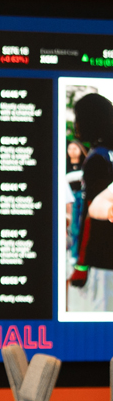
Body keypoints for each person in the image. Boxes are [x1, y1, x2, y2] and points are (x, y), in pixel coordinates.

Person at [70, 92, 113, 291]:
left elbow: (91, 215)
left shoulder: (97, 158)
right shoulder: (107, 154)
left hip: (99, 267)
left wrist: (81, 264)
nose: (76, 124)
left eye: (78, 118)